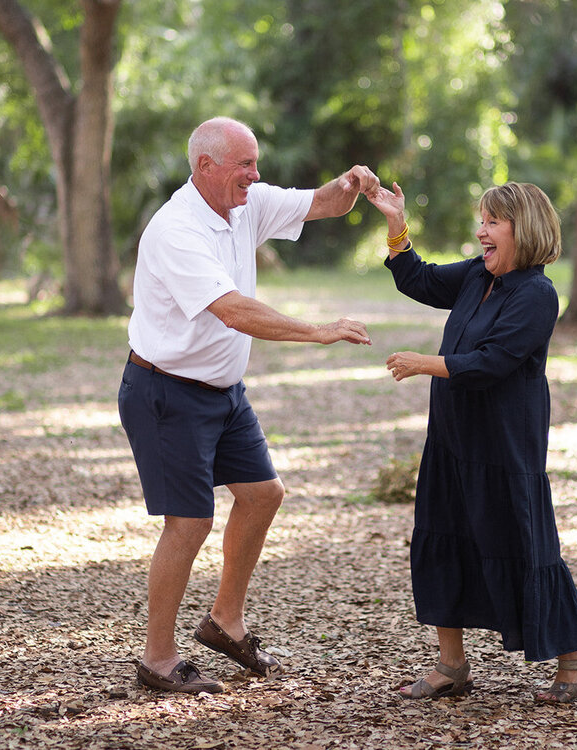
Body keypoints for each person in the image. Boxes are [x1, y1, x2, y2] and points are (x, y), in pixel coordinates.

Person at [118, 116, 378, 694]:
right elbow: (232, 309)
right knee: (188, 525)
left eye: (256, 164)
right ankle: (157, 661)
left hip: (223, 393)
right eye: (244, 165)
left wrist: (352, 185)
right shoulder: (174, 230)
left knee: (264, 495)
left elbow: (321, 203)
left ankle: (223, 622)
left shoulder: (246, 204)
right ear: (204, 166)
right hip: (166, 391)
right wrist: (319, 331)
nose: (255, 176)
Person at [365, 180, 577, 703]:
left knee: (521, 543)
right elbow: (419, 280)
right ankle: (452, 666)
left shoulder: (538, 295)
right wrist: (396, 222)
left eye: (493, 223)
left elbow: (493, 362)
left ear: (526, 230)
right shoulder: (478, 275)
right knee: (443, 532)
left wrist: (424, 363)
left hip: (504, 446)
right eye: (483, 221)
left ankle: (576, 657)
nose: (481, 232)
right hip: (451, 438)